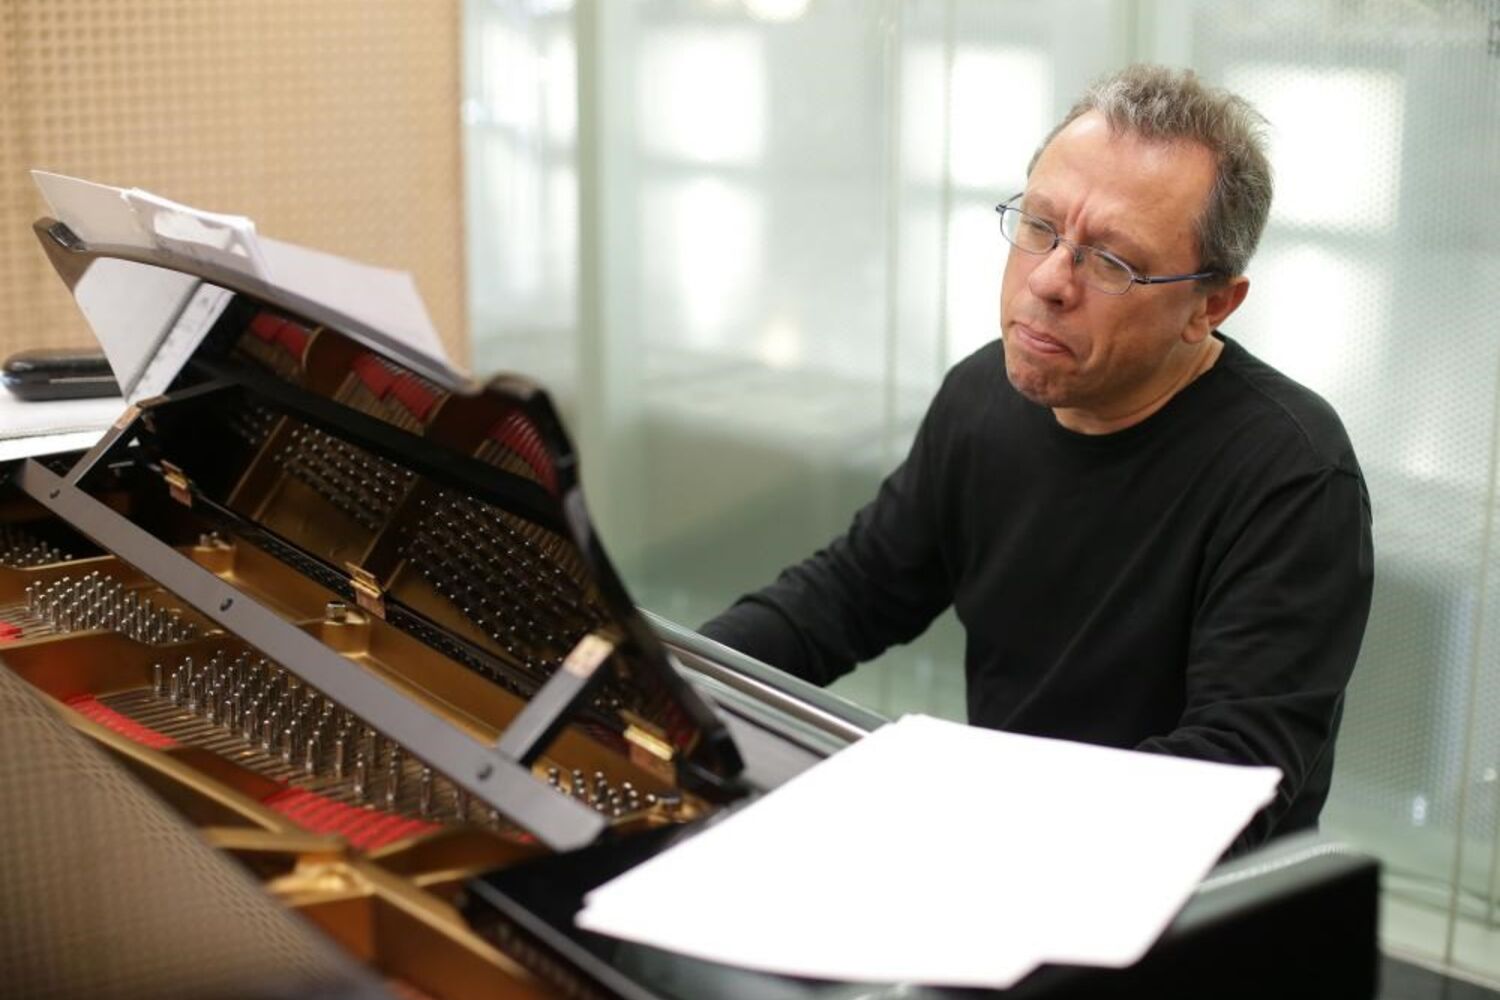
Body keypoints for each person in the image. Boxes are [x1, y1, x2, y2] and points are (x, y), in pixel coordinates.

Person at [700, 65, 1374, 853]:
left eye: (1111, 261)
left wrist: (968, 824)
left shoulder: (1292, 474)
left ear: (1210, 305)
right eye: (1040, 227)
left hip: (1182, 897)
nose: (1050, 280)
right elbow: (851, 592)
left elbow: (1227, 776)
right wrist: (675, 684)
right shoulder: (983, 394)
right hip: (1004, 844)